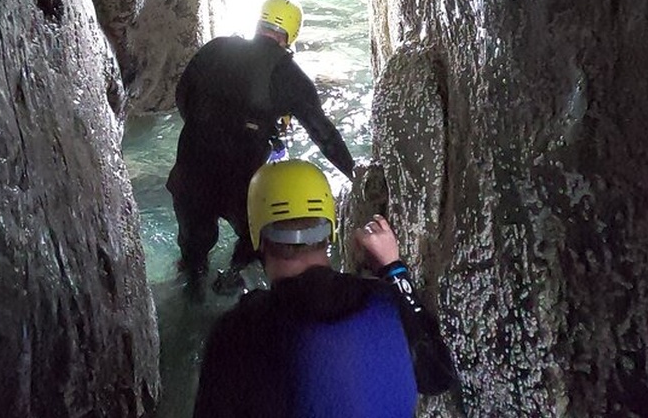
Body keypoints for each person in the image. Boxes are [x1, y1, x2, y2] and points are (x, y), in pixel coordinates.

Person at [193, 160, 457, 417]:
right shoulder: (385, 302)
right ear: (330, 229)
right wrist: (394, 270)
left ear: (256, 237)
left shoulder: (235, 334)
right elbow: (438, 377)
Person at [167, 0, 355, 296]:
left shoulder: (216, 49)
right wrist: (353, 171)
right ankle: (234, 279)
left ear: (258, 23)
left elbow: (182, 95)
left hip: (191, 171)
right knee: (254, 243)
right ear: (290, 35)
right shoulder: (289, 76)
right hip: (240, 181)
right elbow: (324, 135)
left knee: (193, 254)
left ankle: (192, 291)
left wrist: (206, 129)